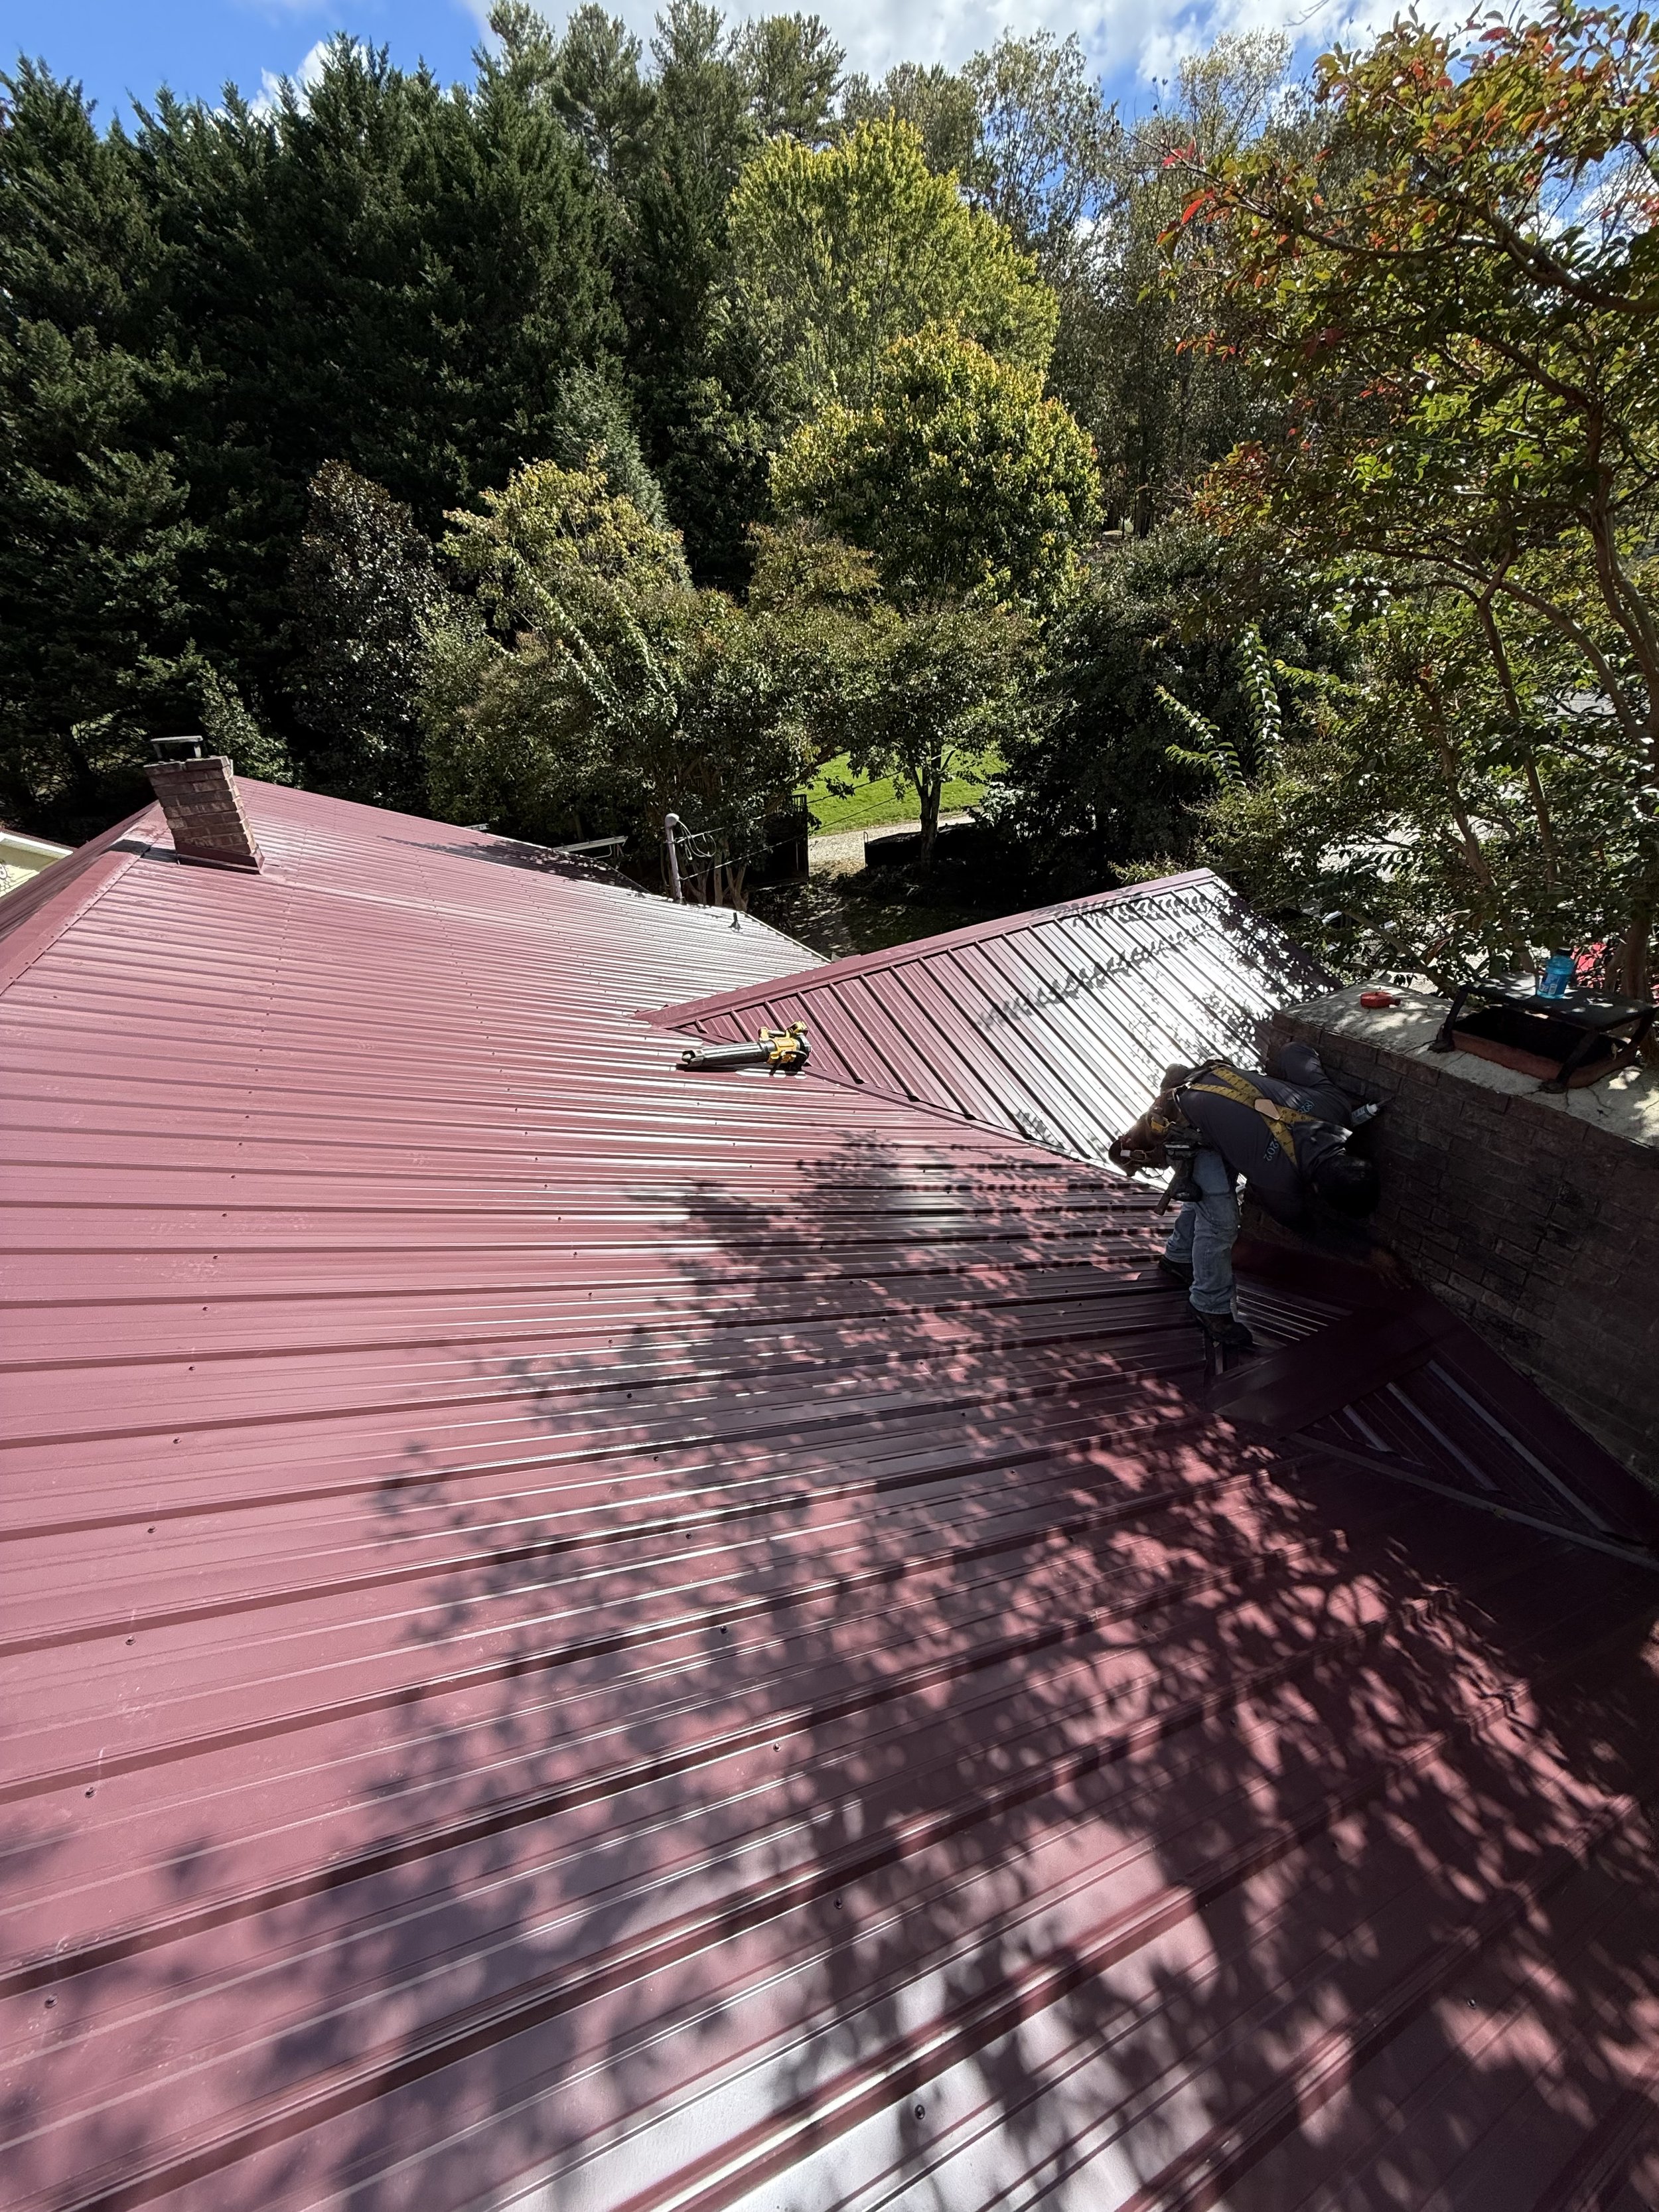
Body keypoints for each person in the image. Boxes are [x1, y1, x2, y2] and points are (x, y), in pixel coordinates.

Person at [1109, 1043, 1382, 1351]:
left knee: (1209, 1198)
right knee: (1221, 1223)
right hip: (1182, 1127)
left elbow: (1294, 1051)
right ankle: (1208, 1305)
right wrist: (1369, 1253)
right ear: (1316, 1190)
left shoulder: (1335, 1108)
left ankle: (1178, 1258)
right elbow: (1307, 1226)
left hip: (1205, 1086)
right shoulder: (1278, 1179)